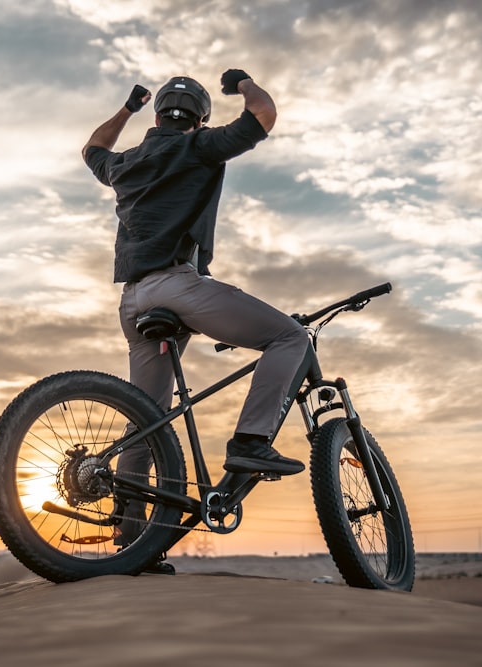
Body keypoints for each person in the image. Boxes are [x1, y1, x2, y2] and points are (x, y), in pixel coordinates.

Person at [82, 70, 311, 572]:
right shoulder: (199, 147)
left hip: (133, 300)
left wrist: (127, 108)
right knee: (290, 337)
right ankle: (251, 442)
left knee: (147, 416)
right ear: (198, 120)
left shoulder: (124, 162)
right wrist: (246, 82)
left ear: (159, 114)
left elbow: (92, 148)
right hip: (176, 287)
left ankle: (132, 538)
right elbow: (264, 115)